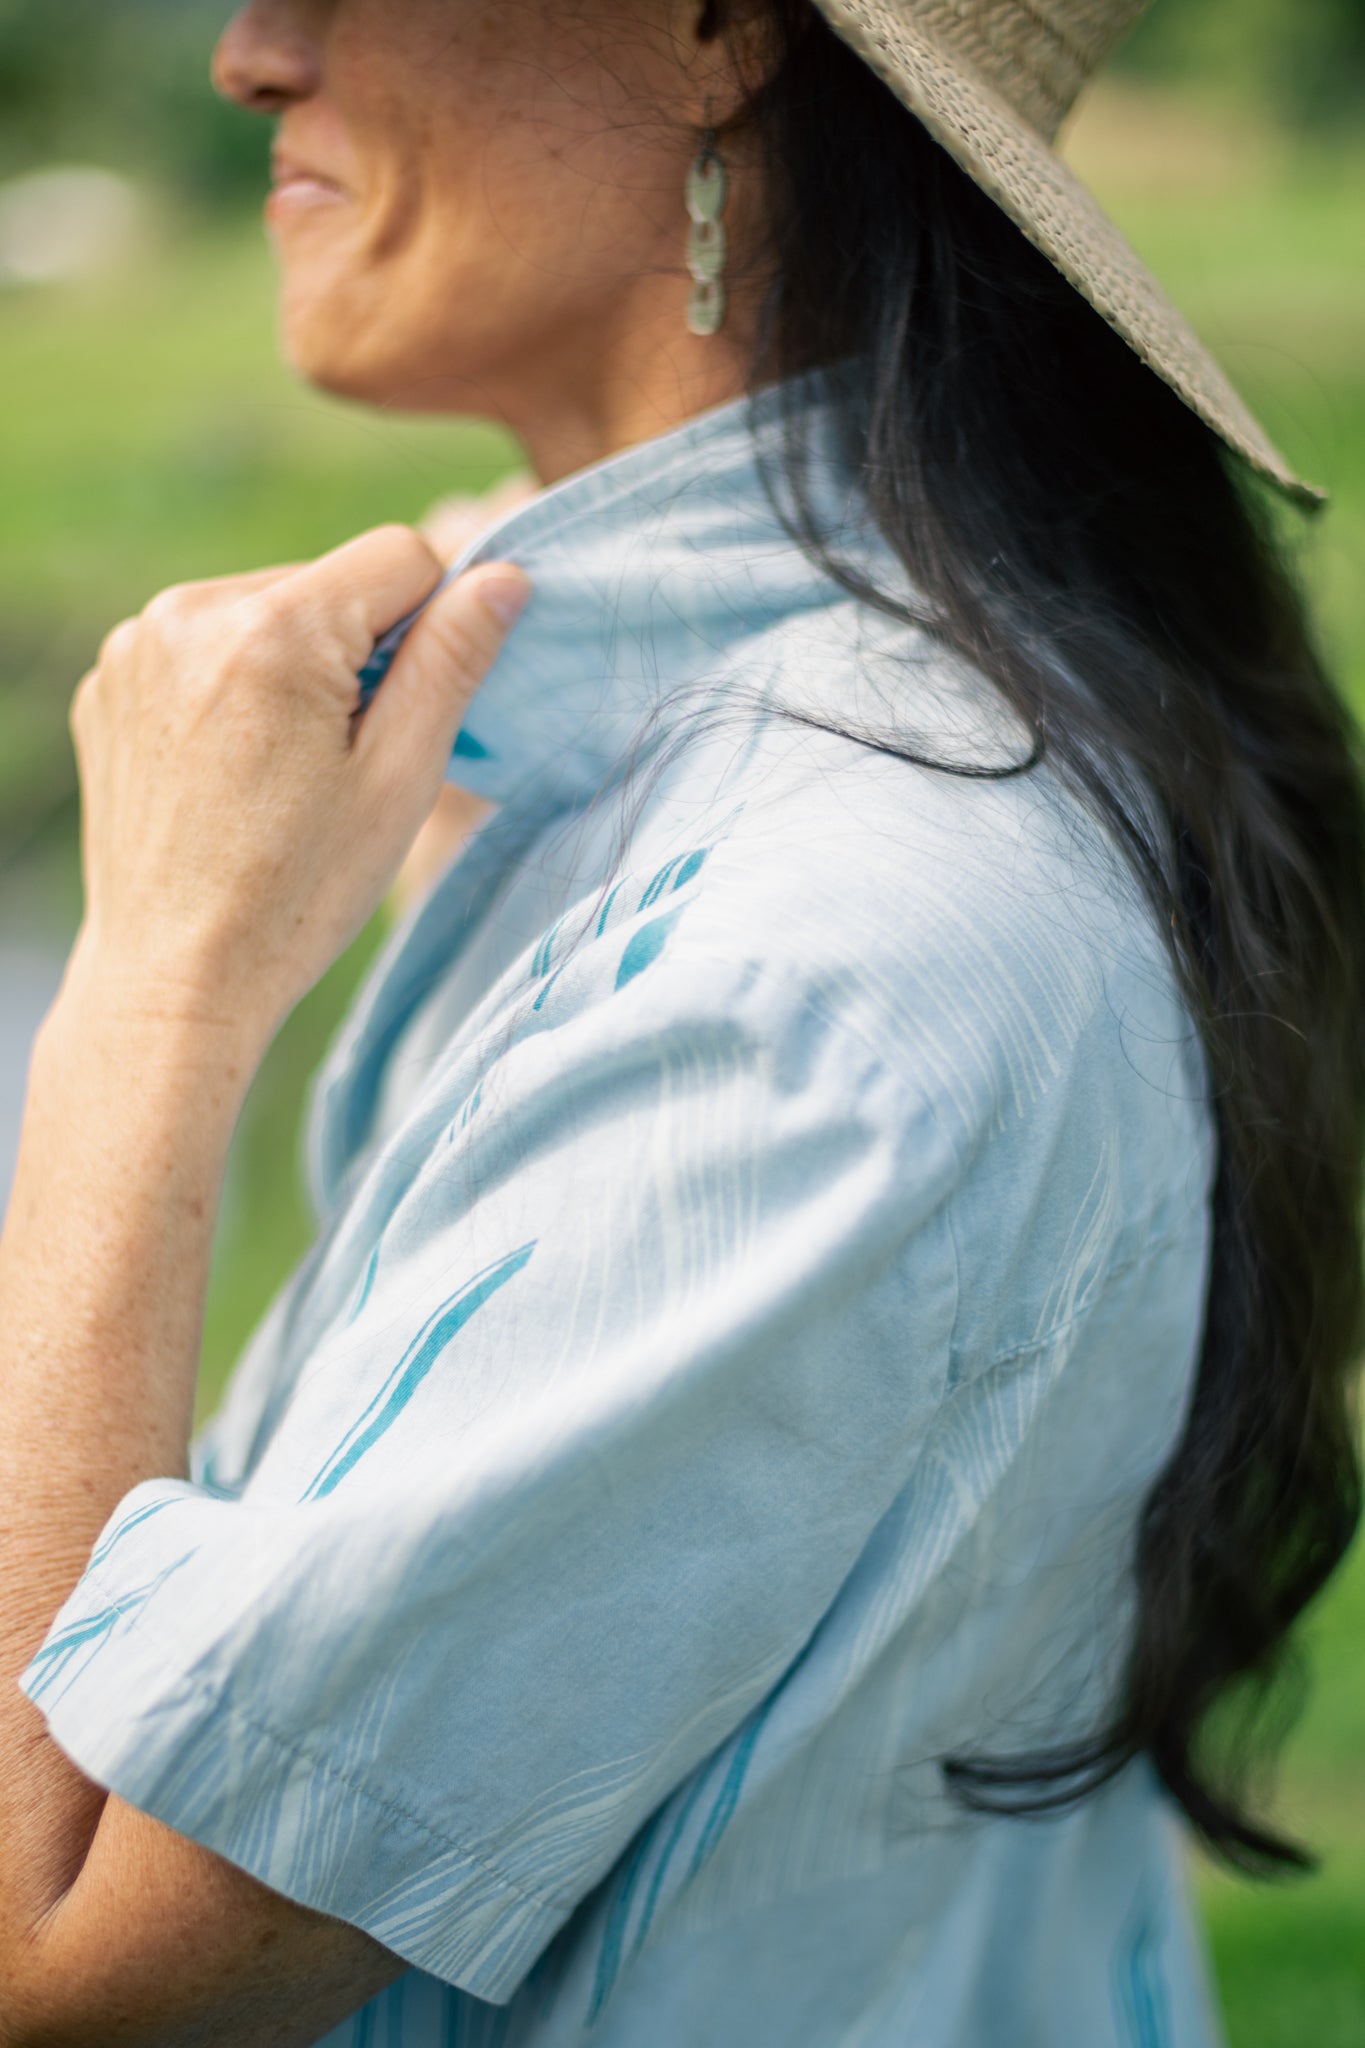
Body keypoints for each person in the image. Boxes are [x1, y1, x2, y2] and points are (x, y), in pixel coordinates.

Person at [1, 1, 1361, 2042]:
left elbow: (54, 1971)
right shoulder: (886, 754)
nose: (250, 52)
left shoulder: (799, 979)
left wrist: (151, 982)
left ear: (718, 31)